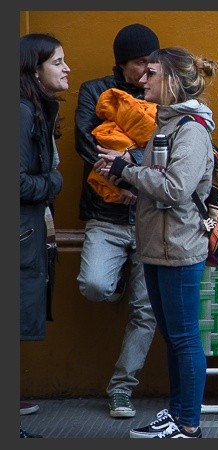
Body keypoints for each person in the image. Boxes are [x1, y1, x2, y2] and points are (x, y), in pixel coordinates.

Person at [94, 46, 218, 439]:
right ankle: (177, 414)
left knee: (183, 337)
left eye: (151, 74)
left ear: (172, 82)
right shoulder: (167, 125)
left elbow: (177, 188)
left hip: (179, 248)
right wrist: (128, 171)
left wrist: (128, 171)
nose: (142, 80)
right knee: (173, 336)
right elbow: (160, 179)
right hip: (160, 246)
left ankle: (188, 423)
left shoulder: (192, 130)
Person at [74, 23, 160, 419]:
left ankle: (121, 389)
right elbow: (88, 143)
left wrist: (132, 175)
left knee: (146, 311)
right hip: (106, 213)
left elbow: (167, 152)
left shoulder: (163, 93)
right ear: (122, 62)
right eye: (140, 62)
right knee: (94, 285)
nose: (146, 71)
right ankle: (115, 277)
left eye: (151, 63)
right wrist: (119, 178)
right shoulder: (95, 91)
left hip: (149, 217)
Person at [19, 32, 69, 439]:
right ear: (34, 70)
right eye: (57, 62)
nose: (66, 68)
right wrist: (53, 181)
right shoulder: (20, 113)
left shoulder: (35, 110)